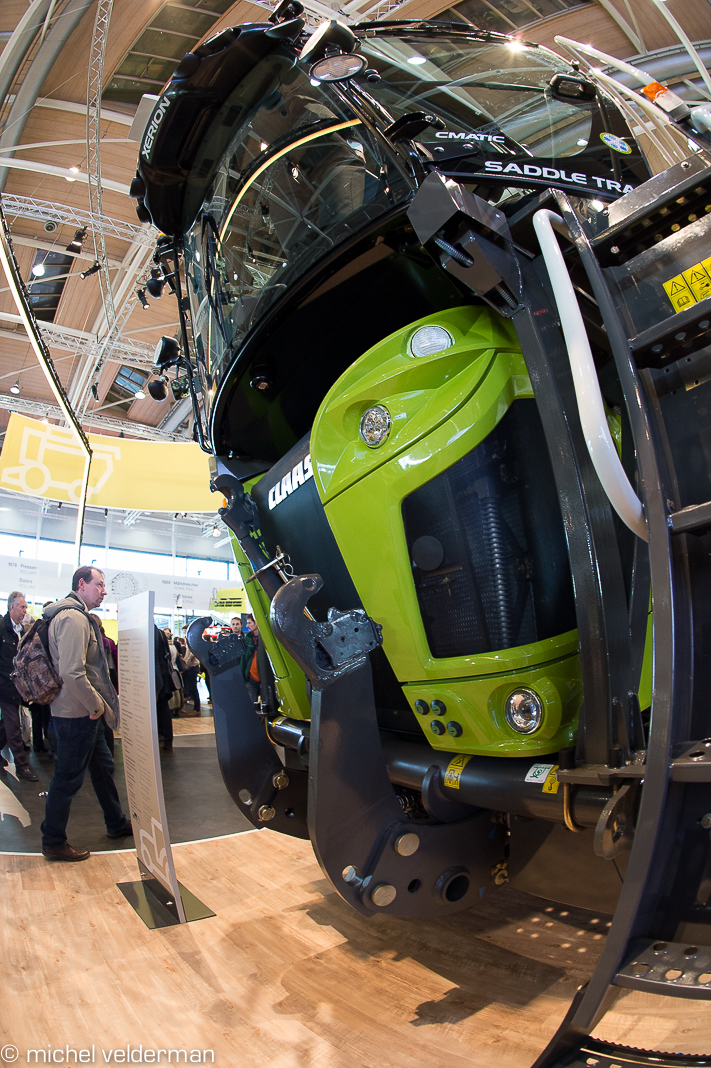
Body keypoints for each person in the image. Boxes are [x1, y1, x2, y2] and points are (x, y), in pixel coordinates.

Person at [40, 566, 132, 862]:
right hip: (76, 714)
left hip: (84, 712)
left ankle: (116, 822)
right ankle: (53, 841)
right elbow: (72, 672)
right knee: (67, 778)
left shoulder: (75, 616)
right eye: (99, 585)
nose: (104, 591)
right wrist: (97, 706)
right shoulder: (73, 618)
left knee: (103, 768)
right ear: (81, 584)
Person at [0, 591, 39, 781]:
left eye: (25, 607)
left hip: (18, 687)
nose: (25, 610)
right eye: (22, 607)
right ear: (11, 607)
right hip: (4, 685)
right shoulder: (2, 627)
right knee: (14, 725)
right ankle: (22, 766)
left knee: (6, 725)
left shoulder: (22, 631)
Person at [154, 625, 176, 751]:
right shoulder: (160, 634)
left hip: (158, 677)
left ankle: (165, 740)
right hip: (164, 675)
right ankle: (166, 739)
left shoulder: (152, 633)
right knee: (163, 708)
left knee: (162, 708)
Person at [241, 615, 261, 706]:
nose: (247, 626)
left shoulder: (266, 639)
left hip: (264, 679)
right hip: (250, 678)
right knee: (249, 705)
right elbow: (243, 659)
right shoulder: (247, 638)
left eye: (249, 623)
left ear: (256, 622)